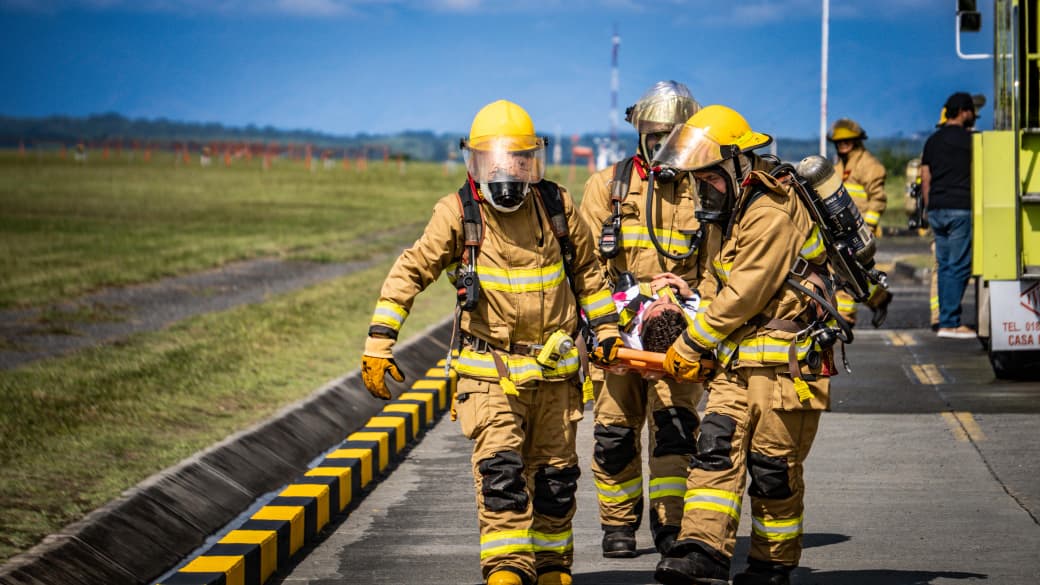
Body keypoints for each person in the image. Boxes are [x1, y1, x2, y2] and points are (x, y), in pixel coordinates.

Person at [361, 100, 621, 585]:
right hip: (488, 376)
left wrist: (606, 331)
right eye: (495, 160)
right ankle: (505, 570)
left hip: (556, 378)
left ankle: (550, 568)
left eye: (519, 159)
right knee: (501, 475)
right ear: (475, 163)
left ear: (533, 161)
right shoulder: (458, 212)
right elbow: (411, 270)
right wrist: (380, 340)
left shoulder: (558, 206)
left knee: (555, 481)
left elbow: (588, 273)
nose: (507, 171)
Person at [650, 105, 840, 585]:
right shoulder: (726, 213)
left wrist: (691, 344)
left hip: (786, 365)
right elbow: (720, 285)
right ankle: (702, 550)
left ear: (737, 165)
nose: (698, 192)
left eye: (706, 179)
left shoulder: (773, 210)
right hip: (738, 361)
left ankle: (772, 563)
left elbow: (747, 291)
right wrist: (696, 305)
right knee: (714, 447)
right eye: (694, 182)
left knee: (773, 469)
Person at [578, 81, 708, 558]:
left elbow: (721, 265)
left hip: (678, 335)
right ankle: (618, 526)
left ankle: (671, 526)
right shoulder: (605, 187)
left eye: (673, 136)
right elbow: (584, 264)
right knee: (614, 434)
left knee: (675, 430)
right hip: (616, 335)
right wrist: (615, 314)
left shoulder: (705, 189)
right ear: (640, 134)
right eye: (655, 136)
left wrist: (689, 297)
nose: (663, 146)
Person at [921, 92, 980, 339]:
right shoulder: (971, 141)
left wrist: (928, 206)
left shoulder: (933, 141)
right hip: (960, 209)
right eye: (972, 112)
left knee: (944, 266)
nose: (974, 117)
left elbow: (926, 176)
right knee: (958, 267)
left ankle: (945, 320)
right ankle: (951, 323)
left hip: (936, 209)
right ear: (964, 111)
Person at [827, 118, 892, 328]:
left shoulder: (869, 166)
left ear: (857, 140)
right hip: (840, 230)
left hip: (859, 230)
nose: (843, 145)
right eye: (839, 141)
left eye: (848, 140)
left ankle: (844, 320)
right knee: (851, 273)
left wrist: (869, 227)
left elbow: (878, 199)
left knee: (846, 274)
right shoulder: (837, 167)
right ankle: (879, 298)